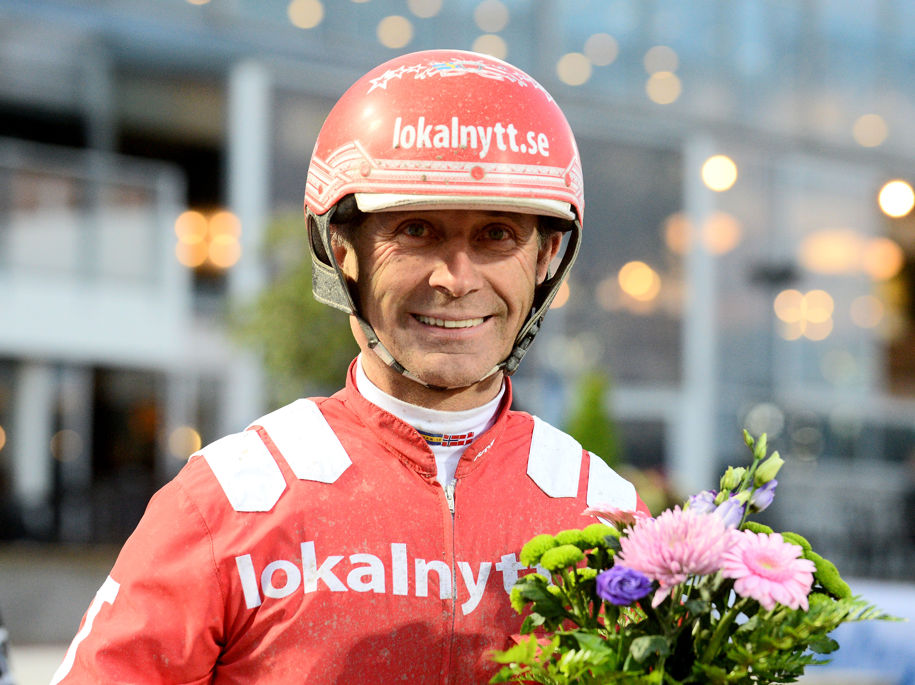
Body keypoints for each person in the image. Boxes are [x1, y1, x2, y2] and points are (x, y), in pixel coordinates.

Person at [53, 49, 648, 684]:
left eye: (497, 234)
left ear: (547, 257)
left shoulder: (605, 512)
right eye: (416, 229)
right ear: (342, 249)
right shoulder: (229, 499)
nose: (455, 279)